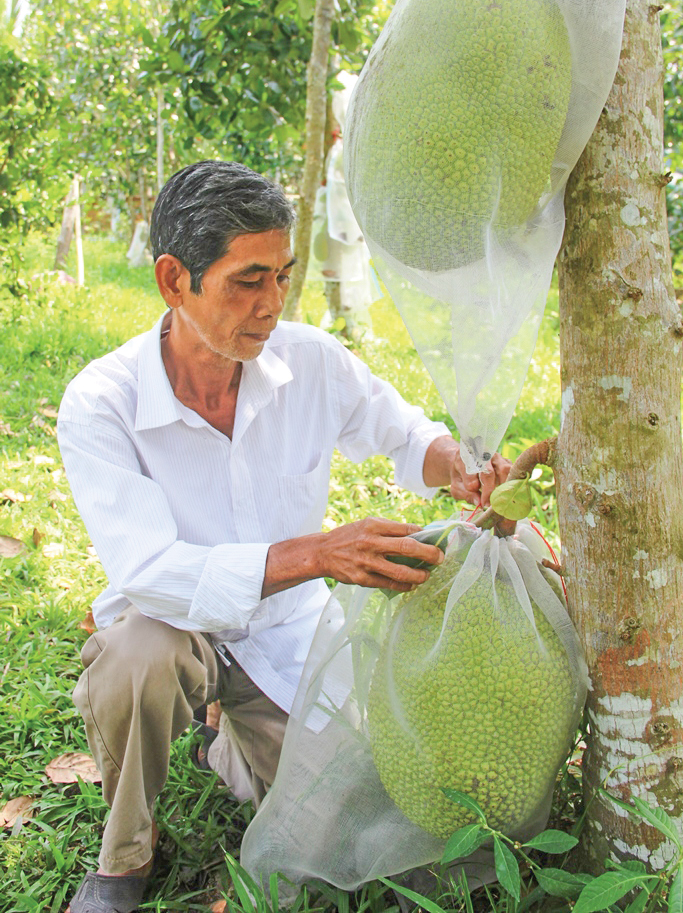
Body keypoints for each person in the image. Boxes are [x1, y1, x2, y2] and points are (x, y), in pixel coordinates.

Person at [57, 160, 510, 913]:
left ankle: (222, 743)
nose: (273, 304)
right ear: (174, 280)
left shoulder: (310, 360)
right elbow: (148, 572)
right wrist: (319, 553)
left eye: (283, 275)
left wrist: (459, 468)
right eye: (248, 279)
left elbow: (402, 435)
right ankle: (125, 855)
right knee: (139, 658)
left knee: (351, 823)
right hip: (173, 628)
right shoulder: (101, 403)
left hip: (286, 635)